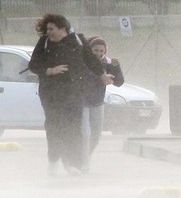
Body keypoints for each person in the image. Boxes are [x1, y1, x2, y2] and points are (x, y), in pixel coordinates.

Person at [27, 14, 103, 175]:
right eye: (47, 29)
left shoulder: (78, 41)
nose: (48, 32)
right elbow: (33, 64)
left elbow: (91, 60)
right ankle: (53, 160)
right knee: (54, 126)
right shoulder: (44, 43)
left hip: (74, 92)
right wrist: (49, 70)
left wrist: (102, 75)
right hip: (51, 93)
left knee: (73, 127)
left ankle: (72, 164)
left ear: (63, 29)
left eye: (51, 29)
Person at [82, 37, 123, 168]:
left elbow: (119, 82)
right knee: (85, 134)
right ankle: (83, 161)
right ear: (90, 50)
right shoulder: (84, 61)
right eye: (95, 50)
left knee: (96, 134)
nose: (98, 53)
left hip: (97, 102)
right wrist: (101, 77)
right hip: (82, 102)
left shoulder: (107, 63)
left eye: (101, 51)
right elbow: (85, 77)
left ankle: (86, 156)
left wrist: (116, 68)